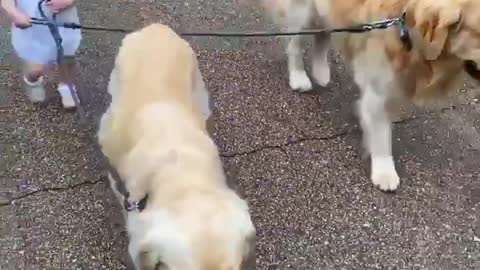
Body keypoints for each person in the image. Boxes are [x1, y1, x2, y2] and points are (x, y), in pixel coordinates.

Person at [1, 0, 82, 108]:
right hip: (29, 23)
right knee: (35, 68)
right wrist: (14, 14)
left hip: (63, 19)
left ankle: (67, 87)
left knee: (66, 57)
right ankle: (32, 80)